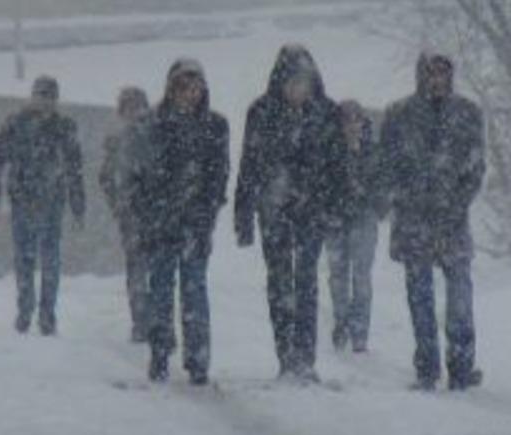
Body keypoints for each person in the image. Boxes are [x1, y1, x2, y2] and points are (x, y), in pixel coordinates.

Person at [234, 44, 348, 383]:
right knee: (280, 283)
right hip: (274, 211)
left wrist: (335, 206)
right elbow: (249, 166)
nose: (299, 90)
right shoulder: (261, 112)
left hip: (312, 209)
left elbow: (337, 166)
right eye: (293, 82)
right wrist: (244, 214)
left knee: (307, 283)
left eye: (305, 83)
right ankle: (286, 355)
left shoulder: (327, 113)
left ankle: (306, 357)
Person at [379, 53, 486, 391]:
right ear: (420, 76)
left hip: (453, 222)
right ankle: (427, 368)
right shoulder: (398, 116)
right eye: (431, 73)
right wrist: (408, 203)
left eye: (443, 73)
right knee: (420, 299)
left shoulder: (468, 114)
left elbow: (474, 169)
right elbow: (388, 168)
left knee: (459, 299)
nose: (437, 79)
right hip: (414, 222)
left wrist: (454, 207)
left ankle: (462, 366)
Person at [142, 59, 229, 385]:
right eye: (183, 88)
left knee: (194, 290)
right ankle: (160, 354)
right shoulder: (153, 124)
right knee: (161, 290)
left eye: (195, 88)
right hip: (162, 222)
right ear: (171, 89)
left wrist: (207, 211)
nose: (190, 95)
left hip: (196, 221)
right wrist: (150, 214)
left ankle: (198, 359)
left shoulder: (215, 126)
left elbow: (218, 175)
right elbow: (141, 175)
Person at [0, 75, 86, 336]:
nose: (45, 101)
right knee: (26, 259)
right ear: (33, 96)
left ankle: (46, 314)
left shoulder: (63, 126)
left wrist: (77, 204)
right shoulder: (16, 124)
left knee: (48, 260)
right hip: (24, 200)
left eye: (50, 96)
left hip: (51, 201)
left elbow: (75, 168)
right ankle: (26, 310)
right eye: (41, 95)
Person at [325, 100, 385, 354]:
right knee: (337, 276)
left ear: (363, 122)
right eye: (346, 121)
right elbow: (324, 185)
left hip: (364, 219)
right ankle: (341, 323)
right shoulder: (329, 152)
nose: (351, 126)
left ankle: (360, 332)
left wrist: (375, 204)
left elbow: (383, 184)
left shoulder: (373, 151)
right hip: (336, 220)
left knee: (361, 276)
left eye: (355, 120)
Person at [99, 87, 153, 343]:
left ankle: (152, 320)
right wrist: (119, 206)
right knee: (138, 270)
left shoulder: (155, 135)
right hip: (132, 216)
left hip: (154, 214)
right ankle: (141, 322)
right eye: (128, 108)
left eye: (136, 106)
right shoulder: (117, 142)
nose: (133, 113)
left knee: (153, 271)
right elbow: (106, 178)